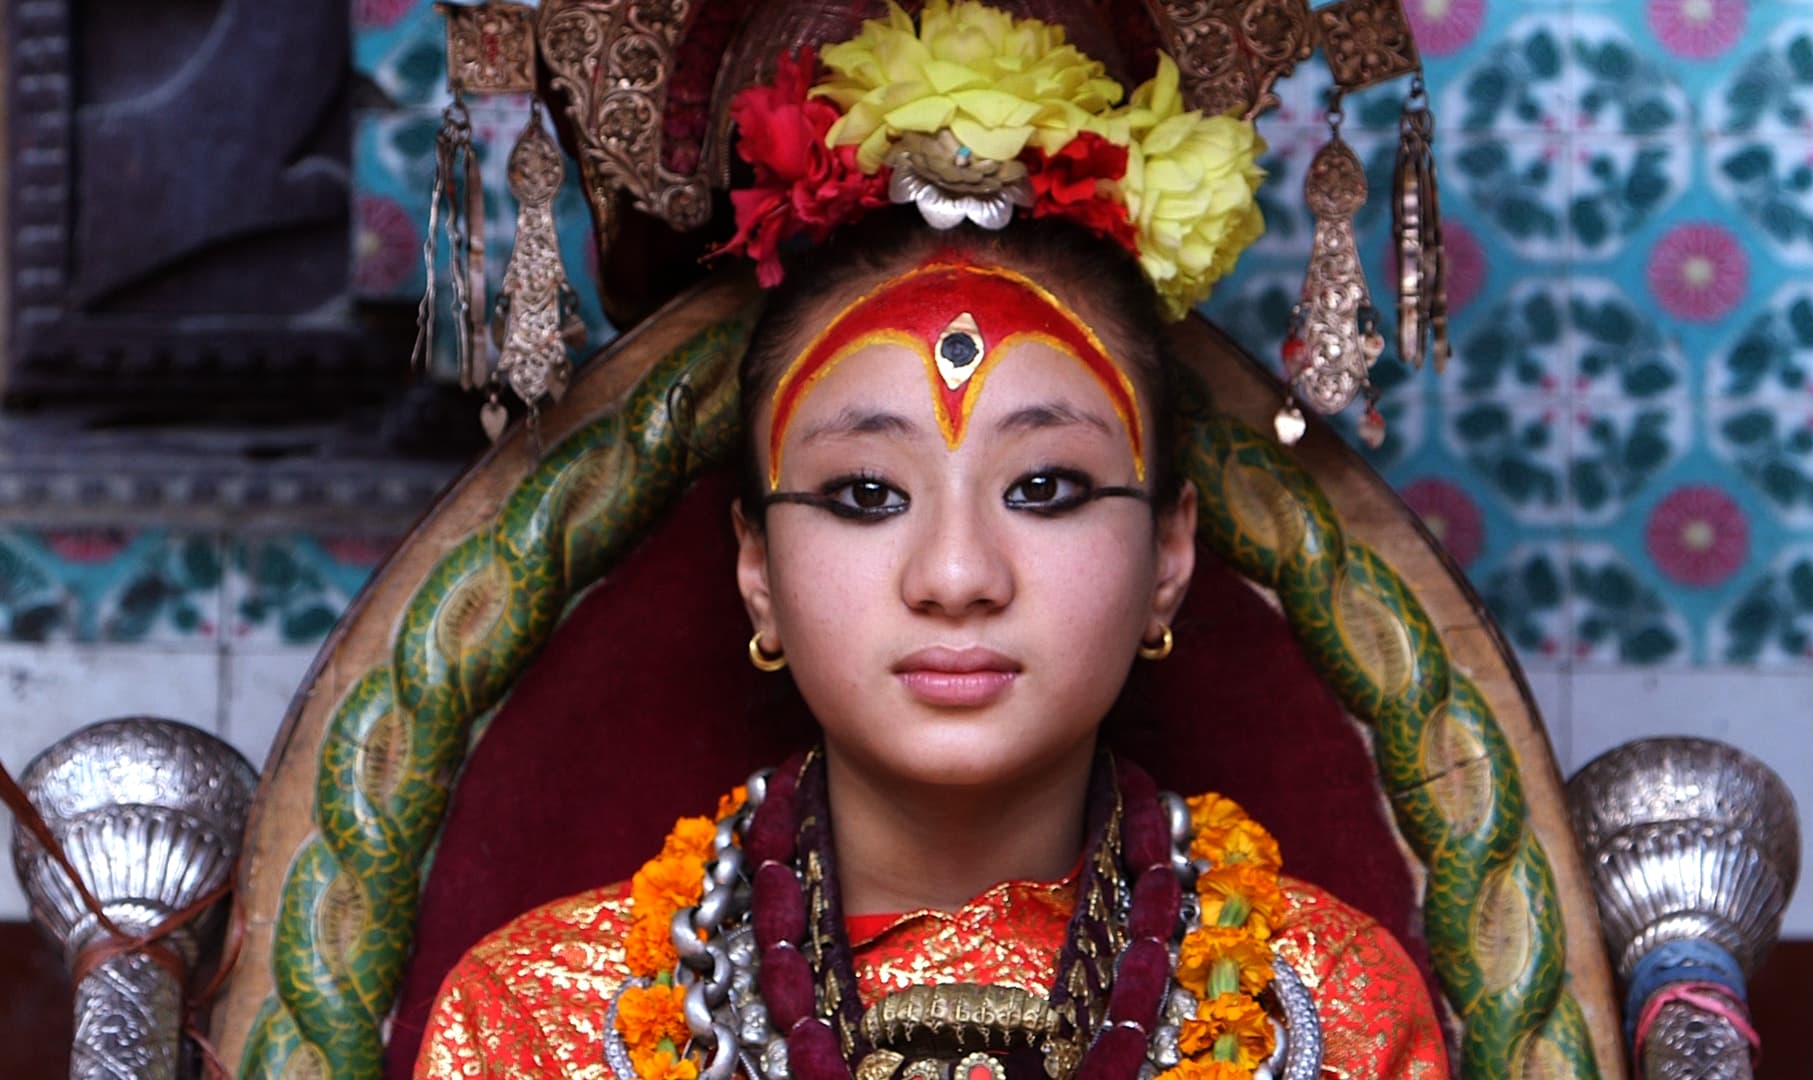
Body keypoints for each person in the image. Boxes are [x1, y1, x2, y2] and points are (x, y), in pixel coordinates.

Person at [414, 4, 1448, 1078]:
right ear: (757, 571)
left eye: (1045, 487)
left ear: (1170, 561)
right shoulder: (538, 1023)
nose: (957, 578)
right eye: (865, 494)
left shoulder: (1329, 1011)